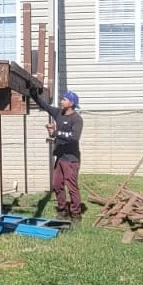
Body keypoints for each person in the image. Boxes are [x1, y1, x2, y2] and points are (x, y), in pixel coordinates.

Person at [33, 88, 85, 220]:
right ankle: (62, 210)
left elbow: (74, 137)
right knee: (57, 184)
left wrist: (55, 133)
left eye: (64, 99)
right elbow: (44, 106)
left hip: (71, 159)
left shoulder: (77, 119)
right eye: (62, 99)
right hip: (60, 158)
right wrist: (34, 95)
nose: (61, 101)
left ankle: (76, 213)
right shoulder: (58, 113)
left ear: (71, 103)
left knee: (71, 187)